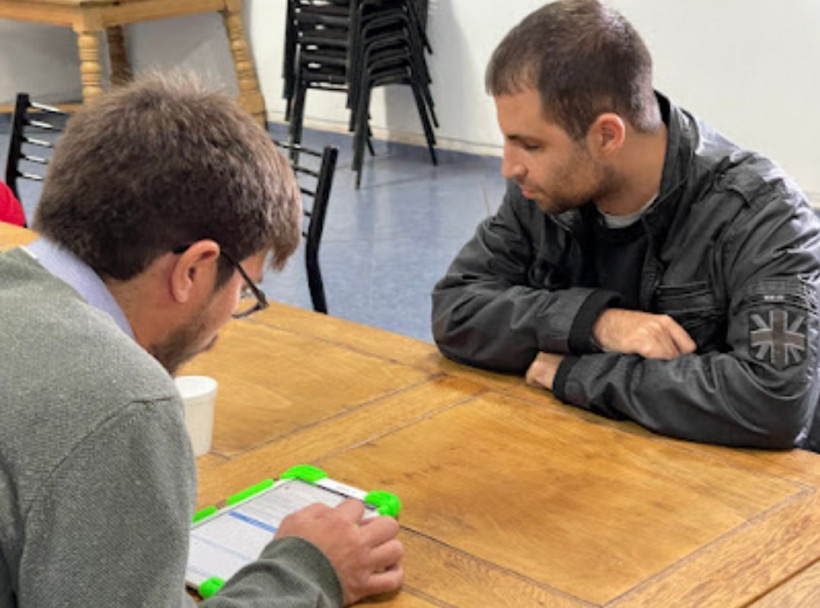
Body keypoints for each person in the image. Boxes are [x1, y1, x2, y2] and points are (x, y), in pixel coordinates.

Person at [0, 73, 403, 606]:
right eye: (242, 289)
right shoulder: (121, 402)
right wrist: (308, 571)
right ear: (193, 270)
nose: (233, 313)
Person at [432, 0, 820, 451]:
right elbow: (457, 309)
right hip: (595, 460)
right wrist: (597, 323)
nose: (509, 167)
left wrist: (579, 374)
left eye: (530, 144)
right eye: (507, 140)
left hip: (735, 491)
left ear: (607, 136)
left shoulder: (763, 216)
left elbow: (773, 400)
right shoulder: (541, 195)